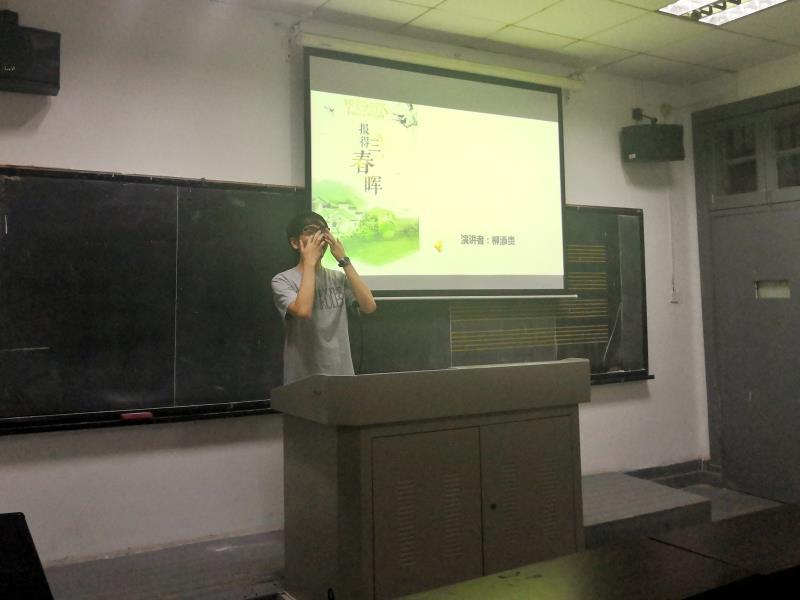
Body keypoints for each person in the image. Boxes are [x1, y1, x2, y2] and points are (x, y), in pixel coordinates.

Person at [271, 211, 376, 385]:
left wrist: (344, 260)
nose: (319, 236)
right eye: (310, 230)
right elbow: (303, 311)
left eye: (323, 230)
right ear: (294, 242)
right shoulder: (283, 280)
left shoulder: (338, 278)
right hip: (302, 378)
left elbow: (369, 306)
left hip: (341, 375)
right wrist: (309, 263)